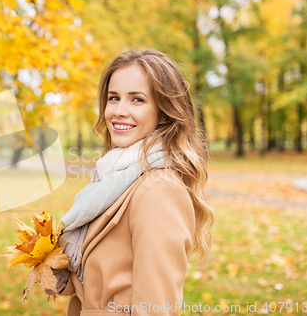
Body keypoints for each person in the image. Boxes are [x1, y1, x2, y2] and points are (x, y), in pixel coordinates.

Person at [50, 49, 216, 316]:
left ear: (164, 112)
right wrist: (46, 258)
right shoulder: (112, 179)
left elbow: (156, 308)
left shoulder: (158, 189)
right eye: (113, 98)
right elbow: (97, 277)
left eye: (137, 100)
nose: (118, 111)